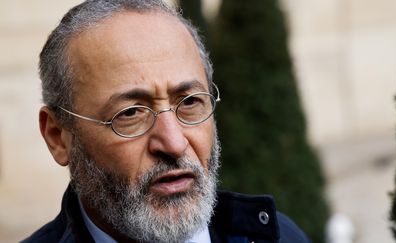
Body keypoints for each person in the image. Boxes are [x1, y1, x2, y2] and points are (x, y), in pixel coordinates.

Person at [23, 0, 310, 242]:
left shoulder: (282, 235)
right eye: (130, 113)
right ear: (57, 136)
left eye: (189, 103)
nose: (174, 143)